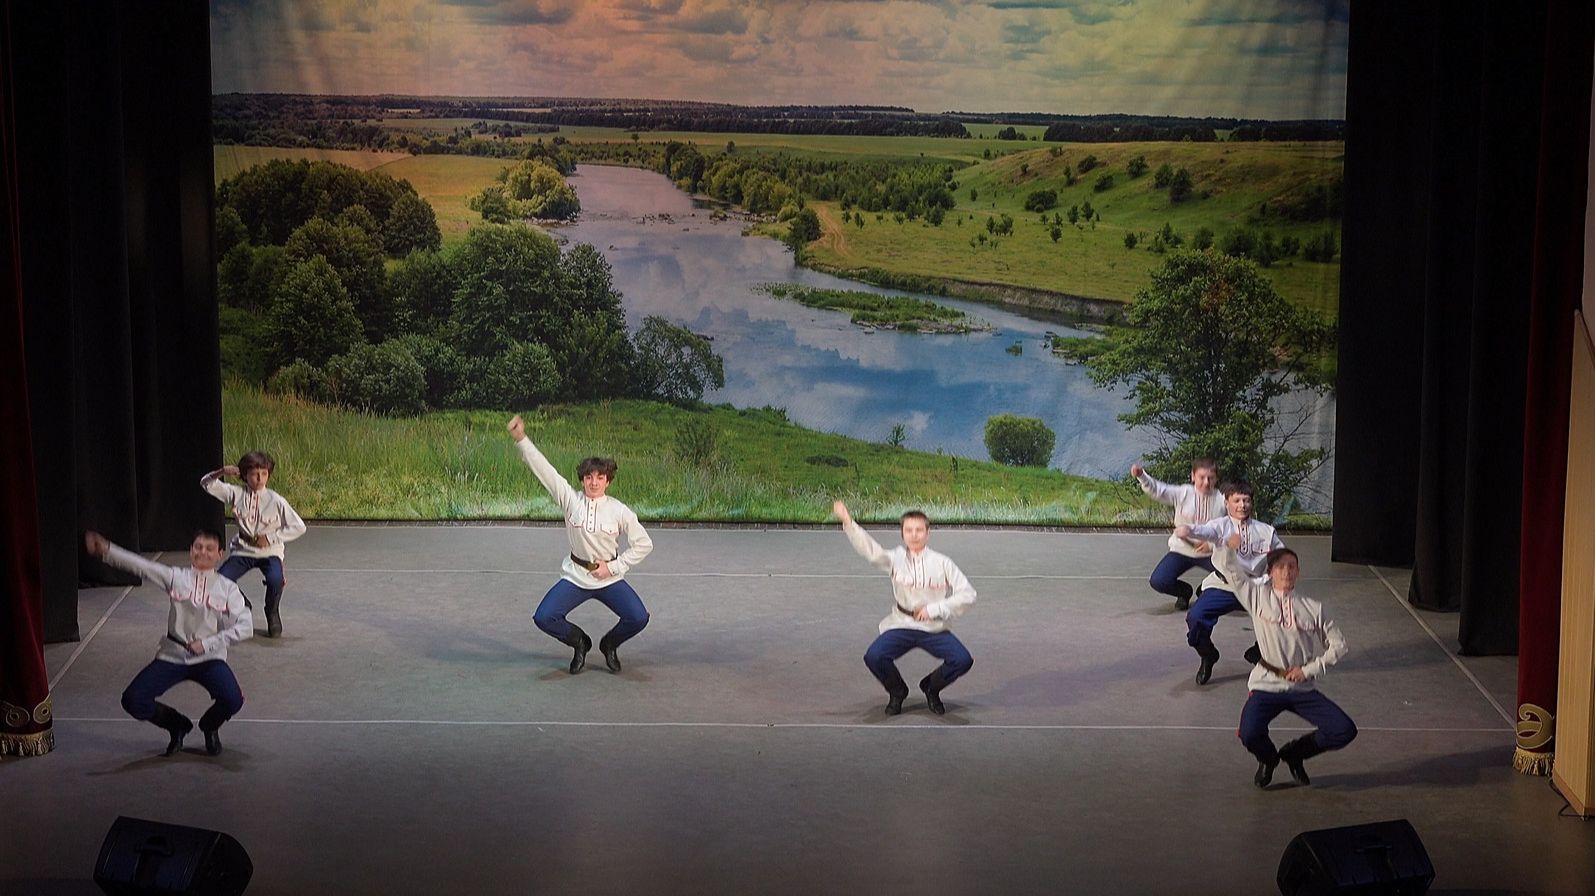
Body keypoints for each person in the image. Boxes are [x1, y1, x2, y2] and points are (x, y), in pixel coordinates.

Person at [1189, 530, 1354, 787]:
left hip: (1301, 687)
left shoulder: (1313, 608)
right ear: (1270, 572)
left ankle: (1295, 753)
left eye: (1292, 567)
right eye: (1280, 567)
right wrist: (1229, 548)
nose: (1286, 572)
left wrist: (1309, 670)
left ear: (1298, 572)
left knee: (1343, 730)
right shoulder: (1257, 597)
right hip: (1266, 685)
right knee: (1249, 733)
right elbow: (1232, 572)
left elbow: (1339, 646)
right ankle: (1269, 759)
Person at [85, 529, 254, 757]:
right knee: (134, 700)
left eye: (209, 548)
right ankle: (177, 725)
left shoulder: (229, 589)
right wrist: (107, 550)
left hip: (209, 658)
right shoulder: (176, 577)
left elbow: (245, 627)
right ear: (191, 550)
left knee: (233, 700)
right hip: (173, 655)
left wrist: (208, 644)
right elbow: (142, 566)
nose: (203, 552)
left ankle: (209, 726)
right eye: (198, 547)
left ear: (219, 554)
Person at [508, 414, 654, 674]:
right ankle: (580, 643)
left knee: (638, 617)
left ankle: (609, 644)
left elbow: (644, 544)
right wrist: (521, 439)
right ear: (582, 480)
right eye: (588, 477)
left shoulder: (619, 511)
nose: (594, 482)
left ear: (608, 481)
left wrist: (614, 567)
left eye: (600, 477)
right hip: (576, 576)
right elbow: (546, 471)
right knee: (544, 617)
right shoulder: (571, 501)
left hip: (608, 578)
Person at [833, 500, 976, 715]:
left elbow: (968, 594)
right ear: (902, 534)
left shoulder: (942, 562)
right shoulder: (895, 559)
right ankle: (897, 691)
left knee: (962, 660)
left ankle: (931, 687)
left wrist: (934, 609)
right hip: (901, 623)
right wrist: (848, 521)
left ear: (928, 533)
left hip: (933, 627)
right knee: (874, 656)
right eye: (909, 530)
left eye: (919, 530)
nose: (914, 535)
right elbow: (870, 550)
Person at [1174, 481, 1283, 685]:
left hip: (1254, 588)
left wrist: (1266, 581)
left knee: (1283, 616)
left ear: (1252, 503)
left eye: (1246, 500)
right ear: (1227, 503)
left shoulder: (1266, 531)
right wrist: (1188, 530)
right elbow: (1205, 531)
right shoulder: (1220, 526)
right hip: (1223, 585)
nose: (1242, 505)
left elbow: (1281, 561)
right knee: (1195, 618)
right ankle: (1208, 655)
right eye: (1237, 500)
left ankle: (1258, 652)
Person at [201, 452, 306, 638]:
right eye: (254, 474)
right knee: (220, 581)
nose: (259, 478)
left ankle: (272, 611)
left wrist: (271, 538)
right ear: (244, 475)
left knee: (276, 579)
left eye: (264, 474)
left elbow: (299, 526)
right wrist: (221, 472)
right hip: (243, 549)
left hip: (269, 552)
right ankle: (242, 605)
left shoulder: (276, 500)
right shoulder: (236, 493)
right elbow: (206, 484)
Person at [1132, 458, 1225, 610]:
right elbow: (1159, 490)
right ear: (1193, 476)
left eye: (1211, 478)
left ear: (1216, 478)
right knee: (1159, 580)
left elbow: (1231, 527)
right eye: (1202, 477)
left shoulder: (1222, 499)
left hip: (1211, 552)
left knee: (1232, 578)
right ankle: (1184, 592)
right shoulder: (1184, 493)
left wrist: (1211, 544)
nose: (1206, 482)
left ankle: (1204, 590)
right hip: (1182, 549)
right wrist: (1142, 476)